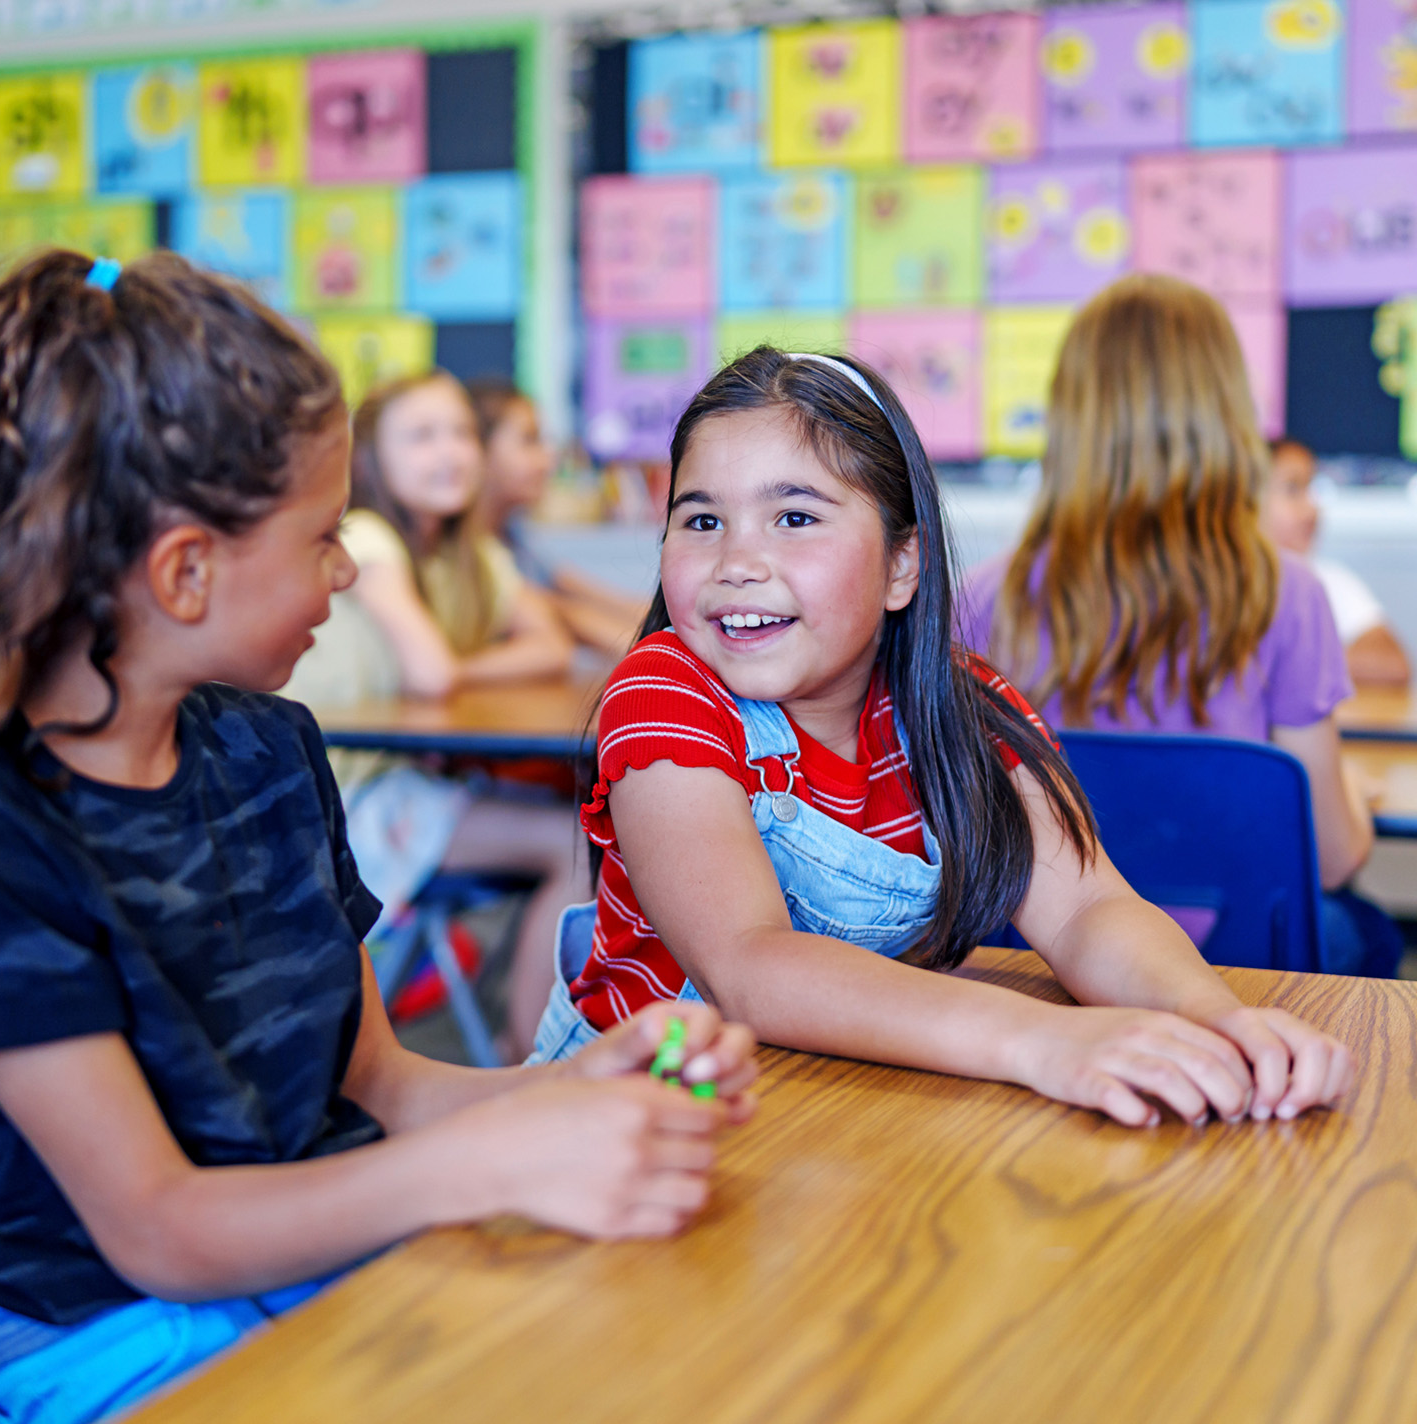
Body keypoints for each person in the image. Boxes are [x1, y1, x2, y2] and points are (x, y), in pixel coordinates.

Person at [0, 251, 757, 1424]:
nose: (347, 572)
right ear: (185, 572)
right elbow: (161, 1234)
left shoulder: (270, 752)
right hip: (97, 1318)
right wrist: (492, 1165)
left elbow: (381, 1085)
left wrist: (561, 1090)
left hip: (314, 1221)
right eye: (324, 536)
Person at [530, 344, 1354, 1134]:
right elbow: (749, 965)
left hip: (831, 1107)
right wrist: (1042, 1039)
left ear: (902, 565)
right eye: (701, 519)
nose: (738, 560)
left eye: (793, 516)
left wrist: (1212, 1019)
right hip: (634, 1121)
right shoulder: (663, 693)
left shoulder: (960, 707)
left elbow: (1088, 911)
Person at [957, 275, 1398, 977]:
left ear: (1071, 415)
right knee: (1366, 931)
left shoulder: (981, 597)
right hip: (1239, 960)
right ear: (1228, 414)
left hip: (1038, 958)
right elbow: (1336, 858)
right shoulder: (1287, 591)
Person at [290, 370, 589, 1059]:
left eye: (459, 432)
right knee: (572, 841)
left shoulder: (472, 553)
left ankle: (532, 1034)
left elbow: (550, 643)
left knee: (590, 818)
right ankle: (529, 1059)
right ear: (372, 459)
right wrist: (460, 667)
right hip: (338, 798)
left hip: (402, 782)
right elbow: (432, 671)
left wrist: (461, 668)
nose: (449, 452)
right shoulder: (368, 538)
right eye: (421, 437)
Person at [469, 376, 647, 659]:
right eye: (530, 440)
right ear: (479, 451)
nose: (548, 458)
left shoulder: (513, 536)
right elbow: (567, 613)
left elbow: (573, 588)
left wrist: (667, 619)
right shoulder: (469, 553)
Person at [1264, 436, 1411, 688]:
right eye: (1292, 489)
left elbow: (1393, 664)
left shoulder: (1327, 579)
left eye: (1312, 488)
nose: (1313, 507)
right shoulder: (1220, 582)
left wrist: (1280, 662)